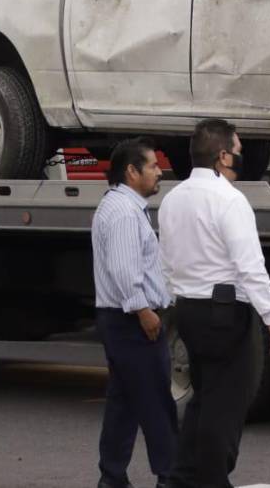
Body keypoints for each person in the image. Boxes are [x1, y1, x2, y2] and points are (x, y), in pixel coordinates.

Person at [157, 119, 270, 488]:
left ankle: (181, 477)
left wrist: (171, 300)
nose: (242, 157)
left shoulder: (172, 199)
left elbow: (166, 260)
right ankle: (213, 480)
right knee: (226, 404)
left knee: (204, 397)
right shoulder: (230, 200)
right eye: (239, 150)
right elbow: (251, 266)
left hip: (188, 310)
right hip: (225, 313)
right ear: (223, 156)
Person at [91, 138, 177, 488]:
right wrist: (143, 310)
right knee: (156, 401)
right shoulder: (125, 213)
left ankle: (112, 477)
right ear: (131, 171)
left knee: (124, 402)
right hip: (131, 320)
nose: (160, 172)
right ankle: (170, 476)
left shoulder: (117, 205)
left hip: (119, 319)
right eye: (153, 166)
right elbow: (125, 270)